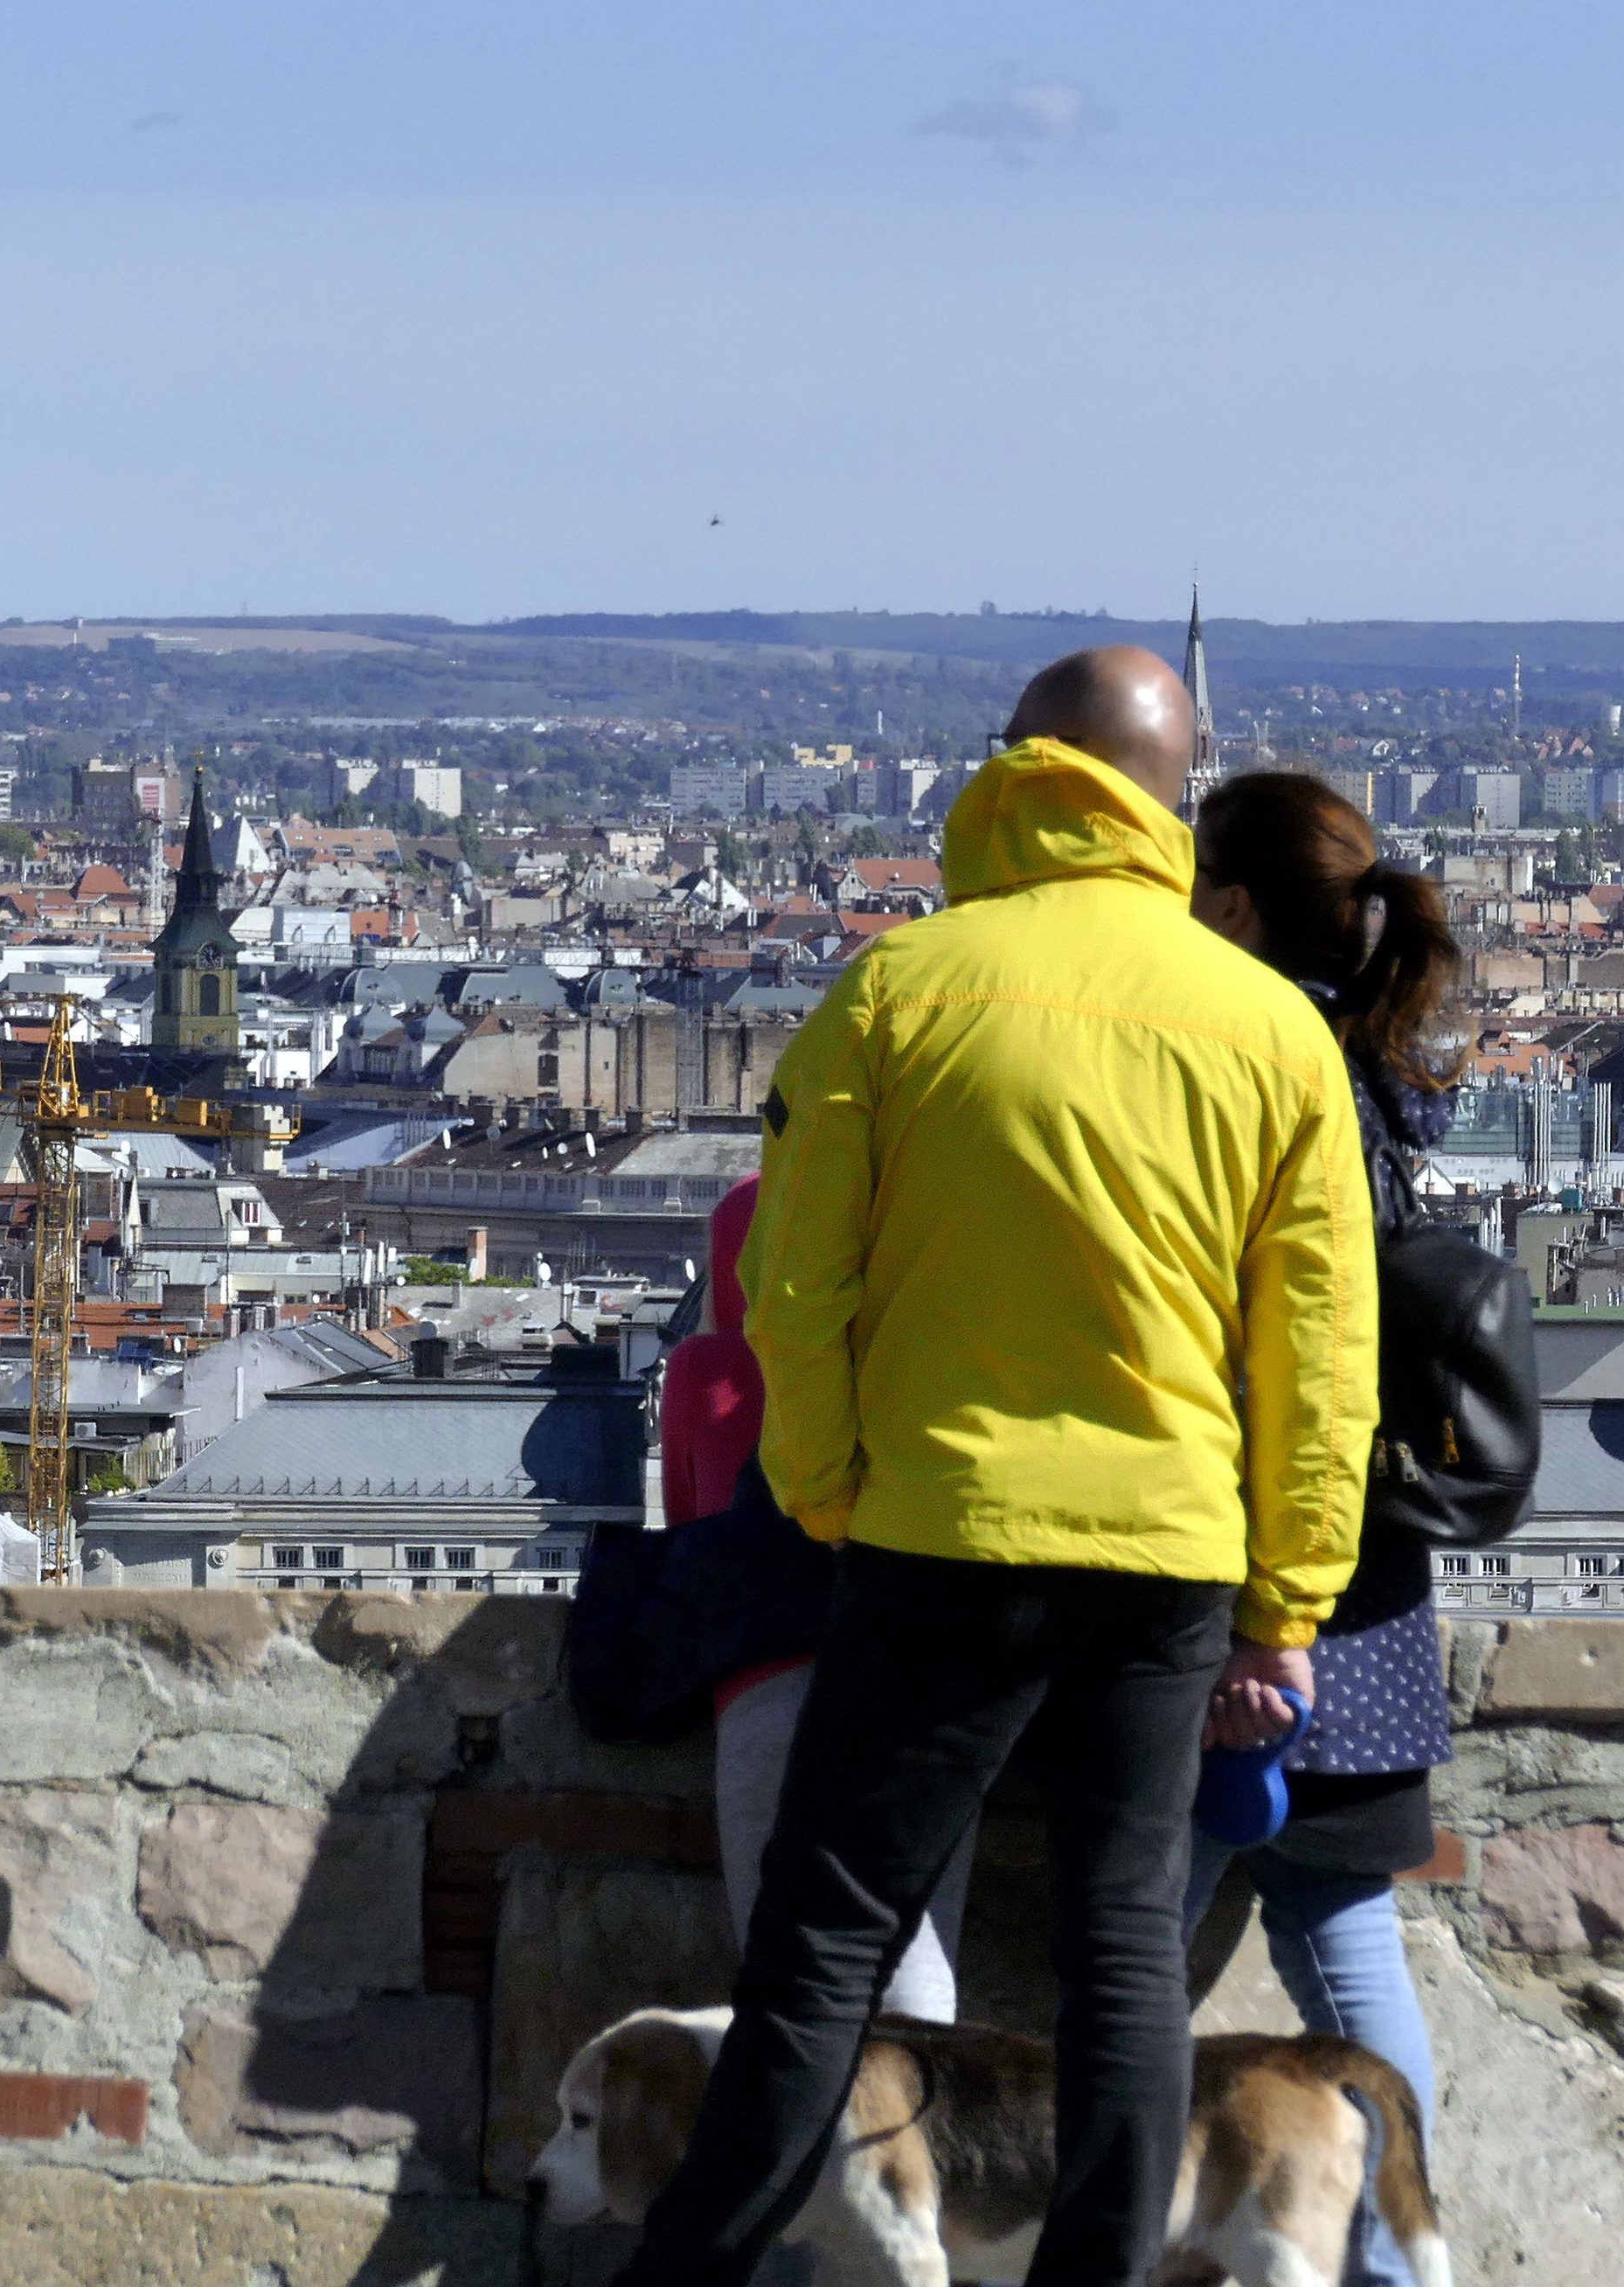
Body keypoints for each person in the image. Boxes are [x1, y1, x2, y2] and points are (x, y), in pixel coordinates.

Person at [621, 648, 1378, 2287]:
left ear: (1022, 770)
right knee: (1123, 1961)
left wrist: (829, 1491)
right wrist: (1288, 1602)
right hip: (1166, 1557)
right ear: (1168, 802)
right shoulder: (1267, 1031)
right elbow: (1317, 1360)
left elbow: (789, 1289)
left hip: (939, 1530)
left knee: (823, 1950)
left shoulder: (902, 990)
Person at [1184, 767, 1469, 2287]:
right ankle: (1407, 2267)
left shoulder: (1258, 1066)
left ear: (1231, 906)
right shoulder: (1375, 1077)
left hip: (1252, 1581)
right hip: (1366, 1589)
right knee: (1350, 1956)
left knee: (1123, 1949)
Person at [663, 1177, 968, 2015]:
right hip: (928, 1664)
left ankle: (819, 2143)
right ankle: (913, 2133)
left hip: (761, 1677)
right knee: (916, 1952)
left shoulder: (705, 1371)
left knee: (781, 1971)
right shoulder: (923, 1356)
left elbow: (688, 1537)